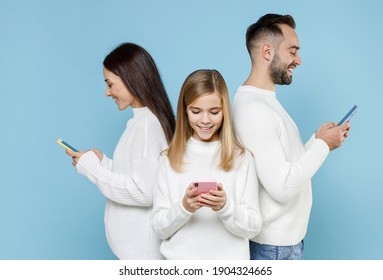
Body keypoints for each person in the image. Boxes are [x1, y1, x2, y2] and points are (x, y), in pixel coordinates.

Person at [232, 14, 351, 260]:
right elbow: (282, 186)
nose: (298, 60)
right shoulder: (254, 108)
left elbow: (283, 164)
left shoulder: (264, 101)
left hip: (283, 245)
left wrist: (318, 141)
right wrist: (322, 146)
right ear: (267, 51)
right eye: (292, 51)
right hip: (274, 249)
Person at [65, 42, 175, 260]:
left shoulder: (146, 126)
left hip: (143, 257)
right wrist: (103, 163)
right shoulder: (141, 123)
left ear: (130, 79)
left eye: (110, 84)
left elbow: (143, 192)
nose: (107, 93)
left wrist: (93, 171)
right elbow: (141, 176)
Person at [152, 69, 262, 260]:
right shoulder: (168, 159)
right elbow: (160, 229)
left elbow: (253, 227)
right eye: (196, 111)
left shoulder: (242, 158)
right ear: (185, 110)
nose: (205, 120)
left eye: (214, 112)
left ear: (224, 111)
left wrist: (225, 207)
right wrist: (184, 207)